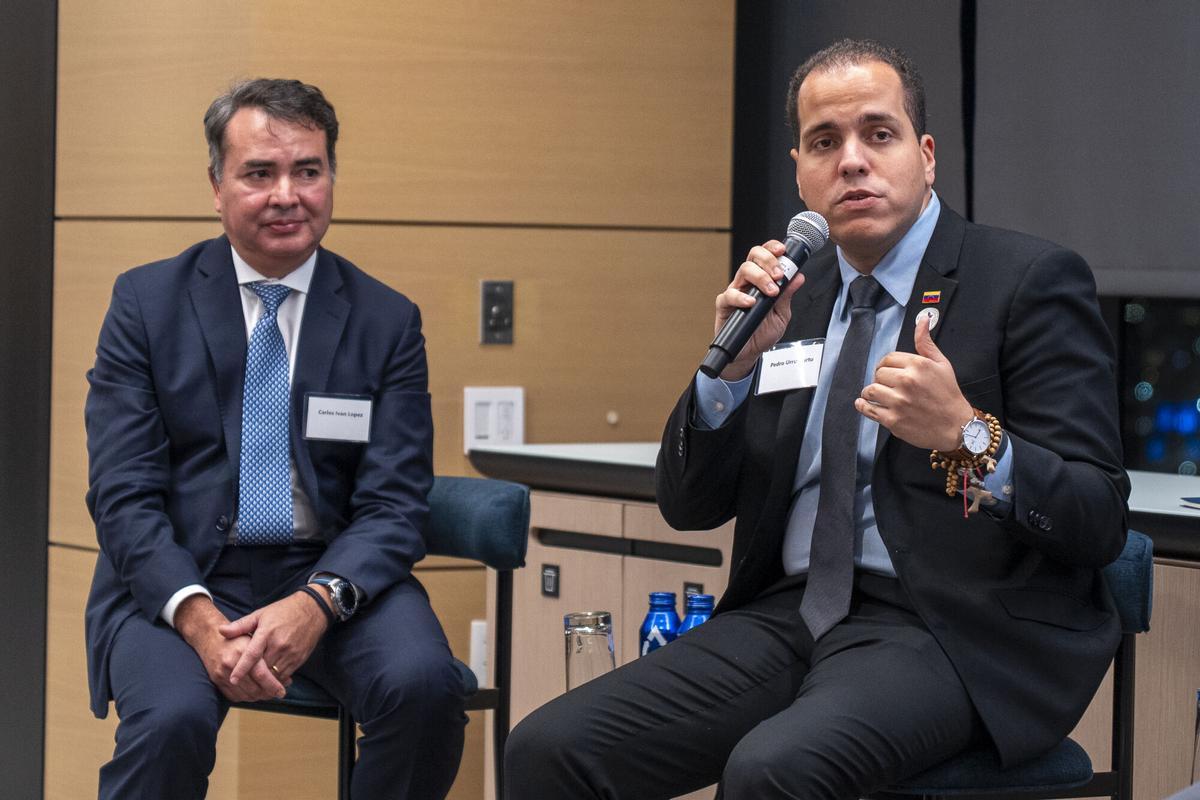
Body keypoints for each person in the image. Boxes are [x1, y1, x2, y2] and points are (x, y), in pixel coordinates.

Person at [504, 39, 1129, 799]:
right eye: (825, 143)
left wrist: (966, 433)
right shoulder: (792, 299)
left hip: (953, 631)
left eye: (879, 133)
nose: (853, 161)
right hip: (790, 615)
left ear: (926, 155)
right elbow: (688, 506)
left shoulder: (1025, 281)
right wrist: (726, 374)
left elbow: (1097, 517)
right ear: (800, 171)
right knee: (548, 749)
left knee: (773, 771)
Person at [84, 78, 467, 799]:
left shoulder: (385, 320)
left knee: (424, 689)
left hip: (330, 571)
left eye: (308, 171)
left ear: (331, 178)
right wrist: (199, 621)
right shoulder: (145, 305)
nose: (286, 194)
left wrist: (317, 602)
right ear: (216, 185)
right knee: (170, 723)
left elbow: (394, 504)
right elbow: (123, 496)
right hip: (179, 578)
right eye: (259, 173)